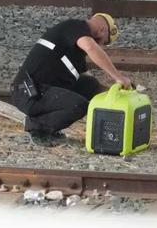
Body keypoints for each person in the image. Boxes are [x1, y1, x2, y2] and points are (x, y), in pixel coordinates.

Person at [10, 12, 133, 143]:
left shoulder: (75, 50)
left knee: (90, 84)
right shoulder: (74, 27)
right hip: (28, 91)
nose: (101, 46)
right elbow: (91, 47)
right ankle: (38, 129)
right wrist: (118, 77)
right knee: (78, 105)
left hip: (43, 90)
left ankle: (44, 124)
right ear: (103, 30)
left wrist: (114, 92)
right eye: (104, 42)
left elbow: (88, 80)